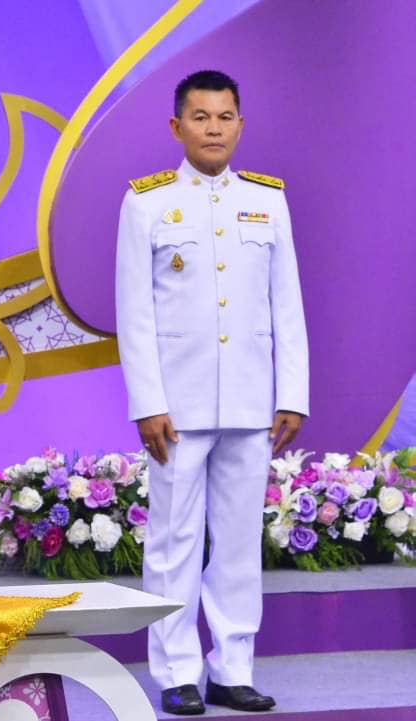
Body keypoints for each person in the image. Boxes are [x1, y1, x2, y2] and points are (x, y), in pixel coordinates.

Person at [115, 70, 308, 715]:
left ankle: (232, 668)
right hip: (178, 405)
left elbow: (287, 305)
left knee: (238, 542)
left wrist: (292, 394)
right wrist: (148, 402)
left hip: (251, 402)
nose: (214, 128)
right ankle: (175, 671)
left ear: (241, 125)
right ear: (178, 127)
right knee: (174, 541)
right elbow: (134, 312)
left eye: (225, 117)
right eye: (200, 117)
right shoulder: (147, 203)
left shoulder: (267, 201)